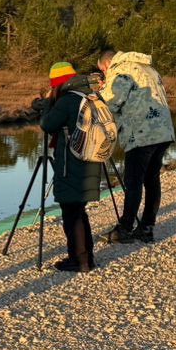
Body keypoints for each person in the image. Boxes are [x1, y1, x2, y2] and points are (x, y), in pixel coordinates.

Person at [96, 49, 176, 243]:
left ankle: (124, 228)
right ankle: (147, 227)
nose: (105, 74)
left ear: (106, 64)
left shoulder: (121, 69)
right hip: (163, 130)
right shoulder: (148, 68)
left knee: (133, 182)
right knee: (151, 180)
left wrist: (100, 92)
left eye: (103, 71)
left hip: (141, 133)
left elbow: (111, 103)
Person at [37, 60, 104, 273]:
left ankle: (79, 260)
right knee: (79, 210)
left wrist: (48, 104)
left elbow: (47, 125)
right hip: (93, 159)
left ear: (58, 84)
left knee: (71, 211)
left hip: (70, 162)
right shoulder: (93, 96)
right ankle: (87, 257)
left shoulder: (66, 101)